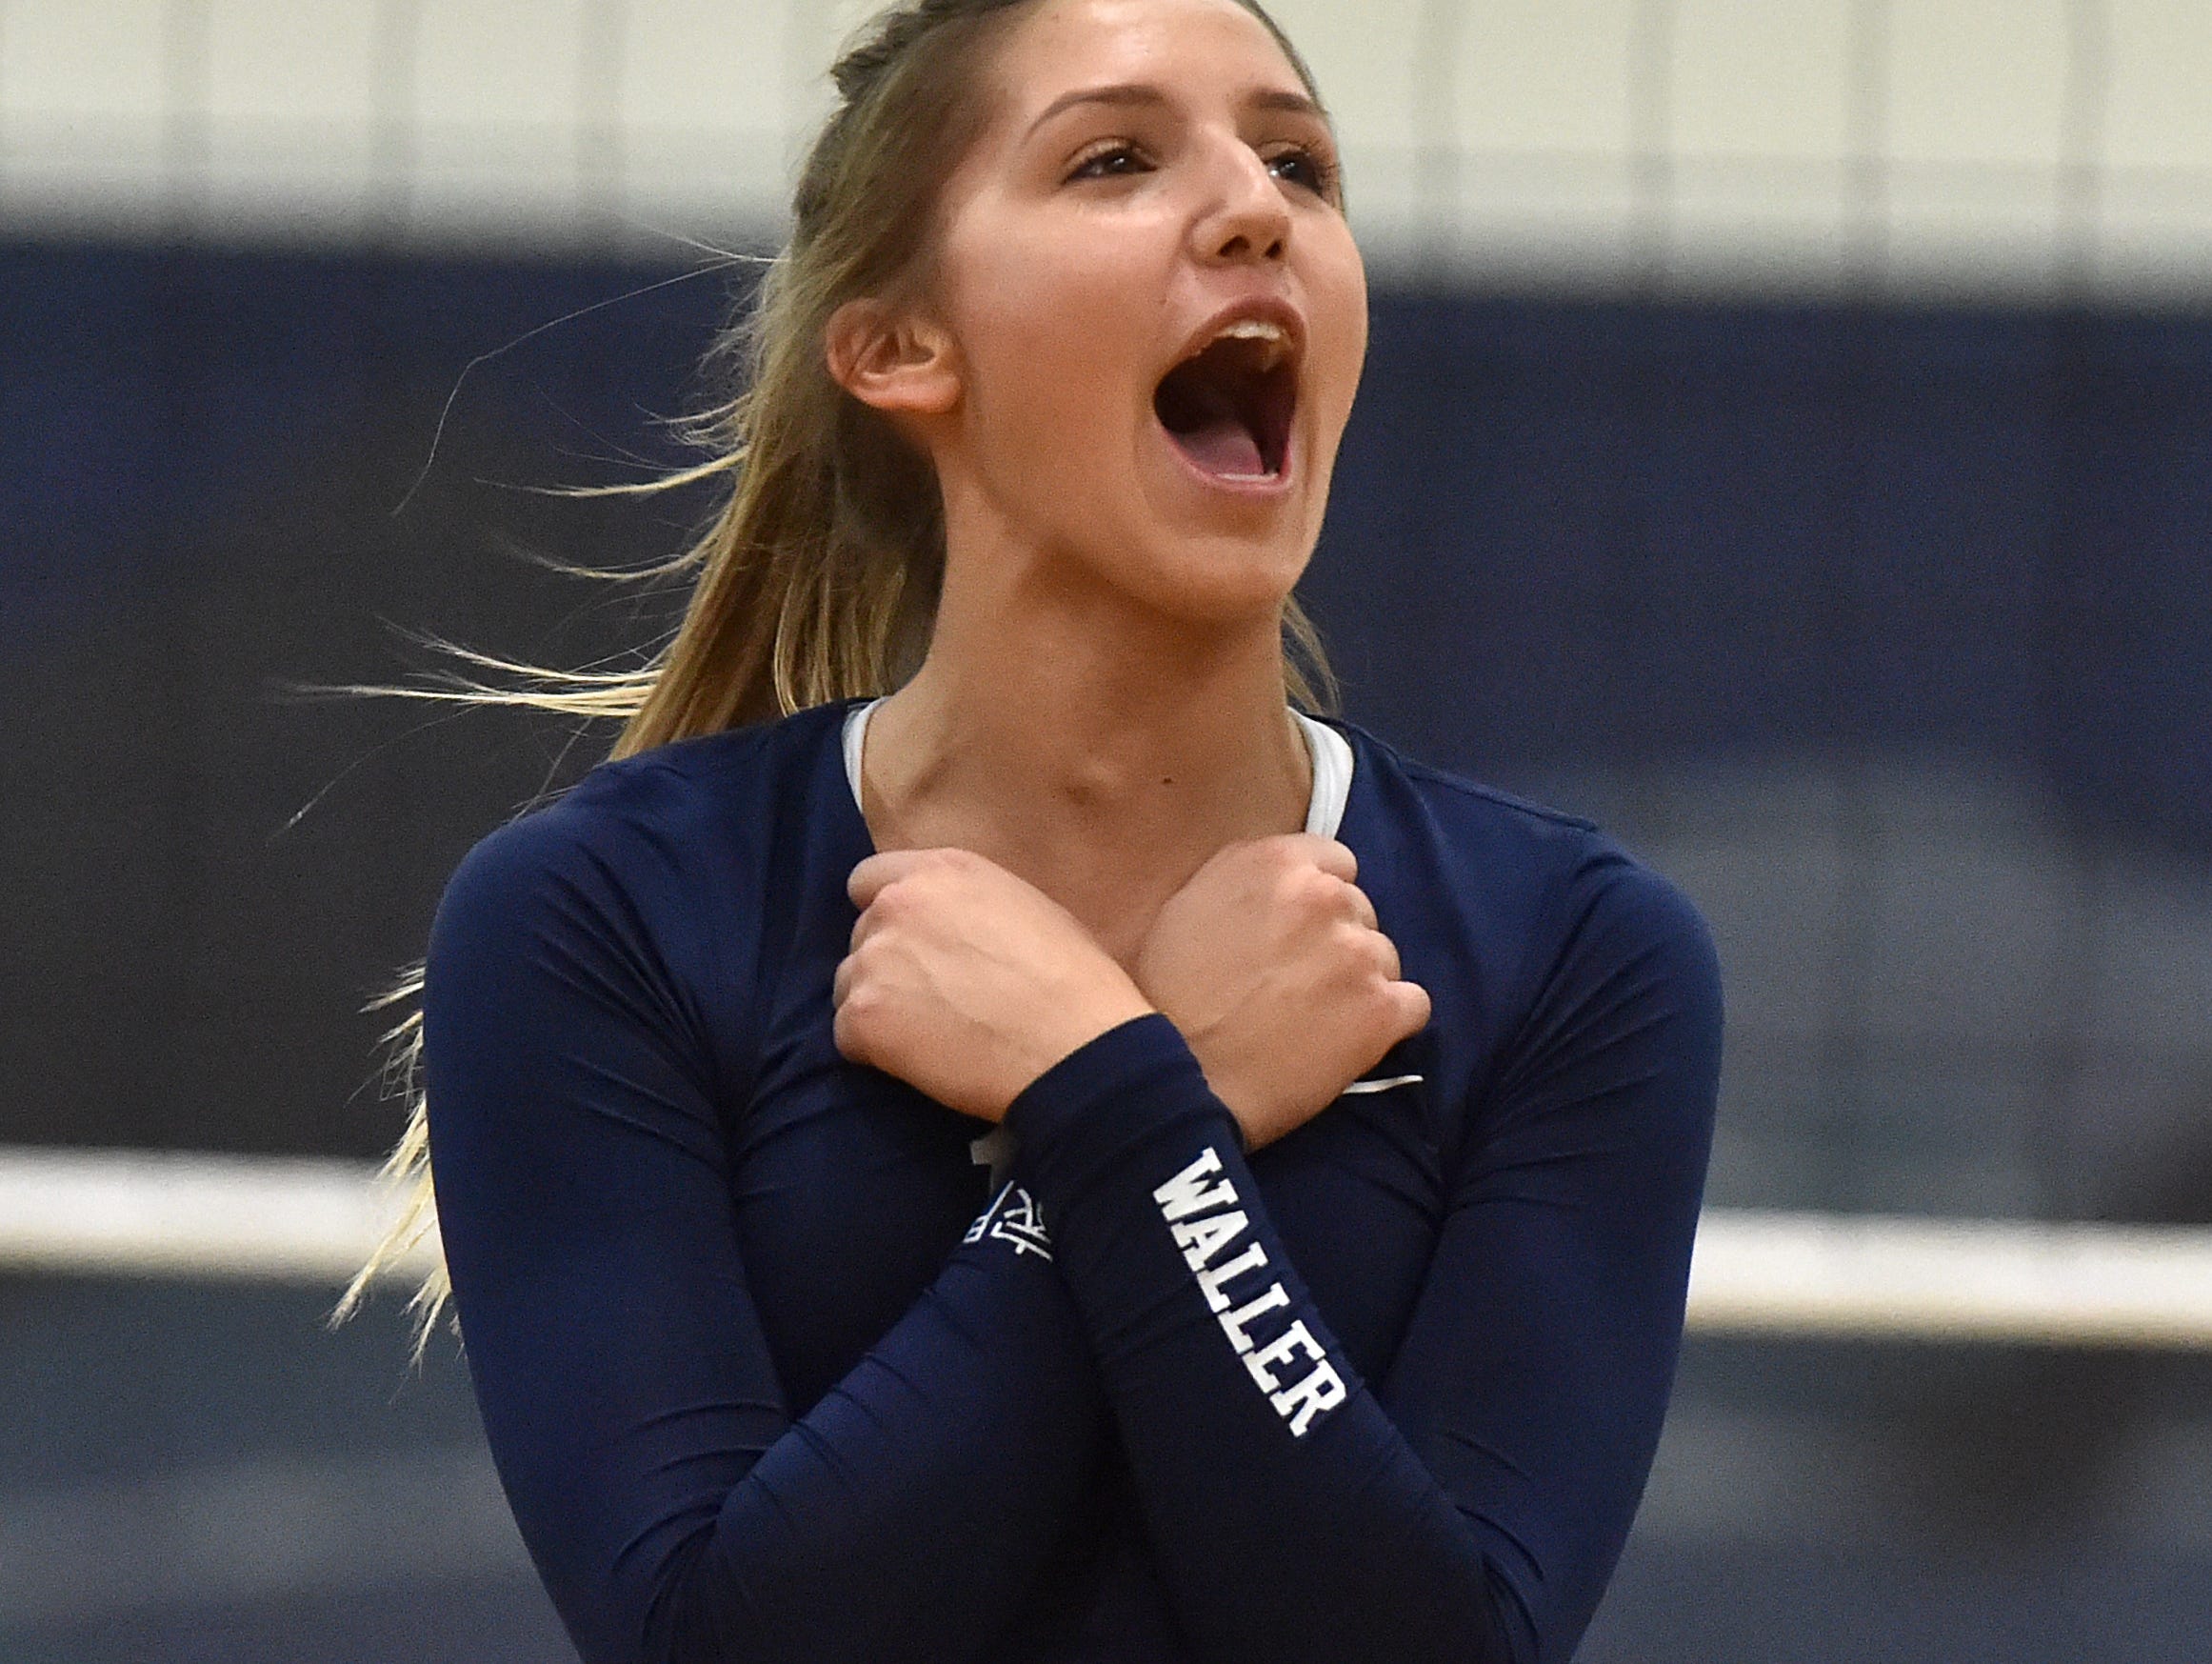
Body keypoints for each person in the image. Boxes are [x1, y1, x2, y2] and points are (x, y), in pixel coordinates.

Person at [348, 1, 1724, 1659]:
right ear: (903, 350)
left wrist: (1109, 1101)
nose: (1254, 207)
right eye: (1116, 160)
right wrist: (1161, 1101)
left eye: (1299, 164)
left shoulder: (1572, 951)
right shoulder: (607, 915)